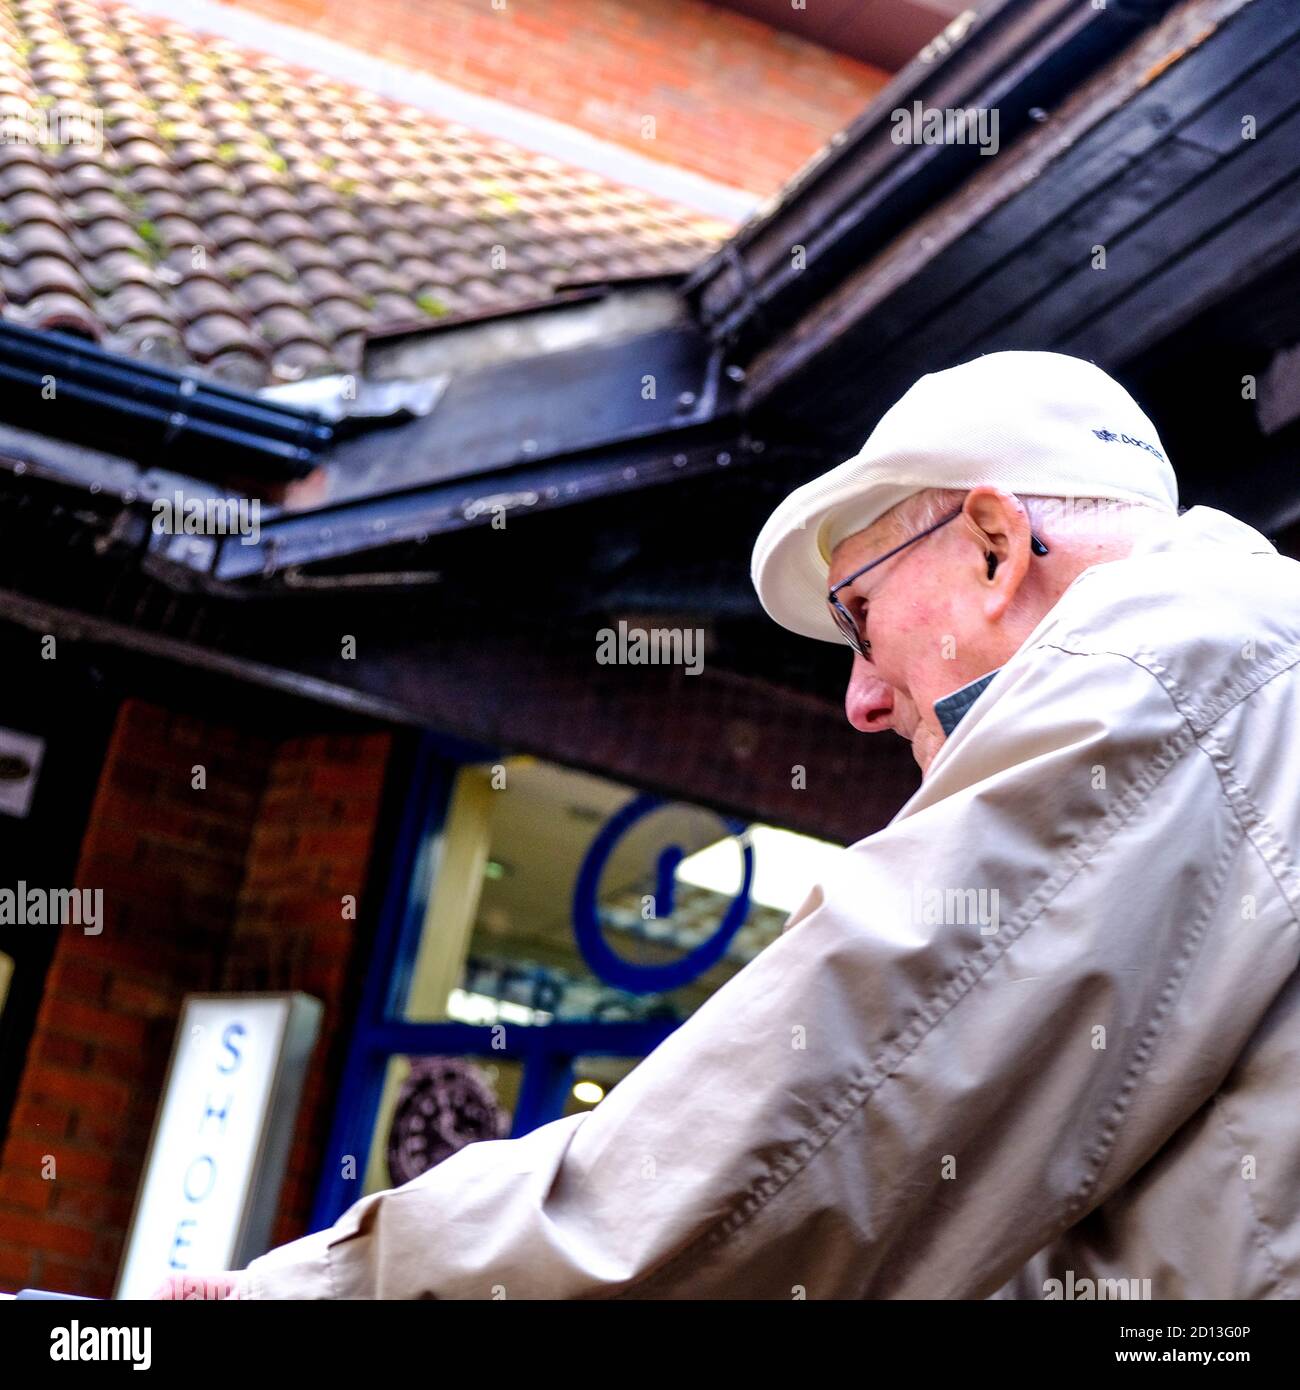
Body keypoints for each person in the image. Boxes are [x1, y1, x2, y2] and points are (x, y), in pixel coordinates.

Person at [154, 350, 1300, 1299]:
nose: (857, 698)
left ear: (995, 546)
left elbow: (826, 1114)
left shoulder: (1172, 654)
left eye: (859, 618)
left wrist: (324, 1293)